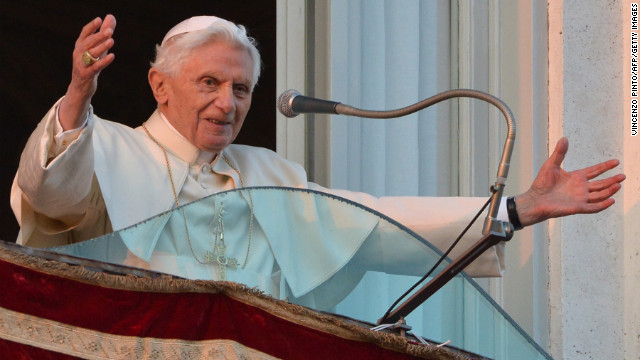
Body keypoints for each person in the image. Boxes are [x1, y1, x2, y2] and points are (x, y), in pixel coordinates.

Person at [10, 15, 625, 309]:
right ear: (159, 85)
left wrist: (516, 210)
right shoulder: (106, 146)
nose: (228, 104)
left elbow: (375, 225)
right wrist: (76, 98)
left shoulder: (269, 175)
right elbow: (51, 194)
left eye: (243, 89)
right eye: (209, 83)